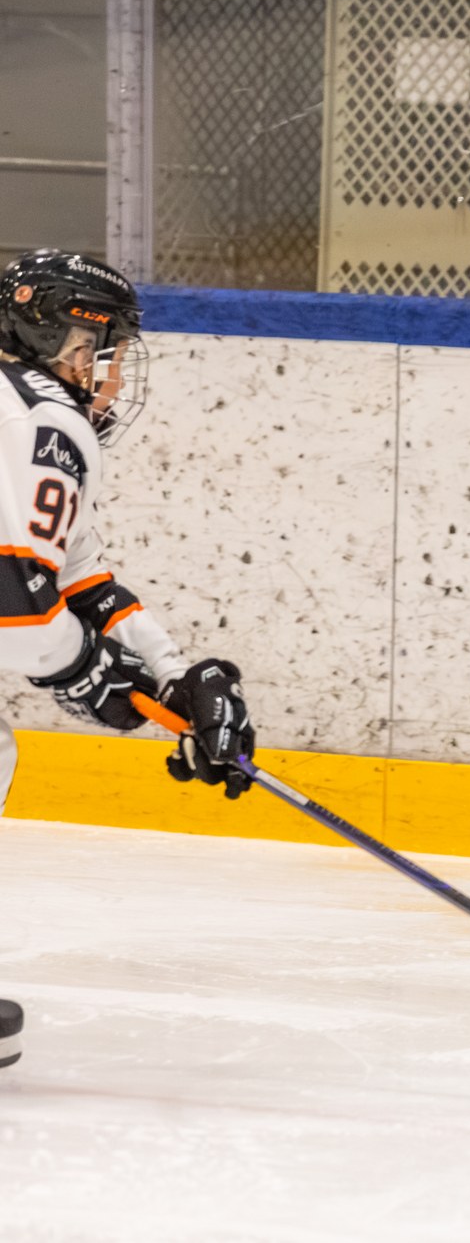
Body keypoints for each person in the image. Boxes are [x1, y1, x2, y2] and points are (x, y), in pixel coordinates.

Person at [0, 249, 257, 1070]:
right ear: (62, 338)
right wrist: (86, 675)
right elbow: (17, 605)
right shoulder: (41, 419)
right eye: (101, 351)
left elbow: (80, 581)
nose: (110, 376)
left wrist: (173, 676)